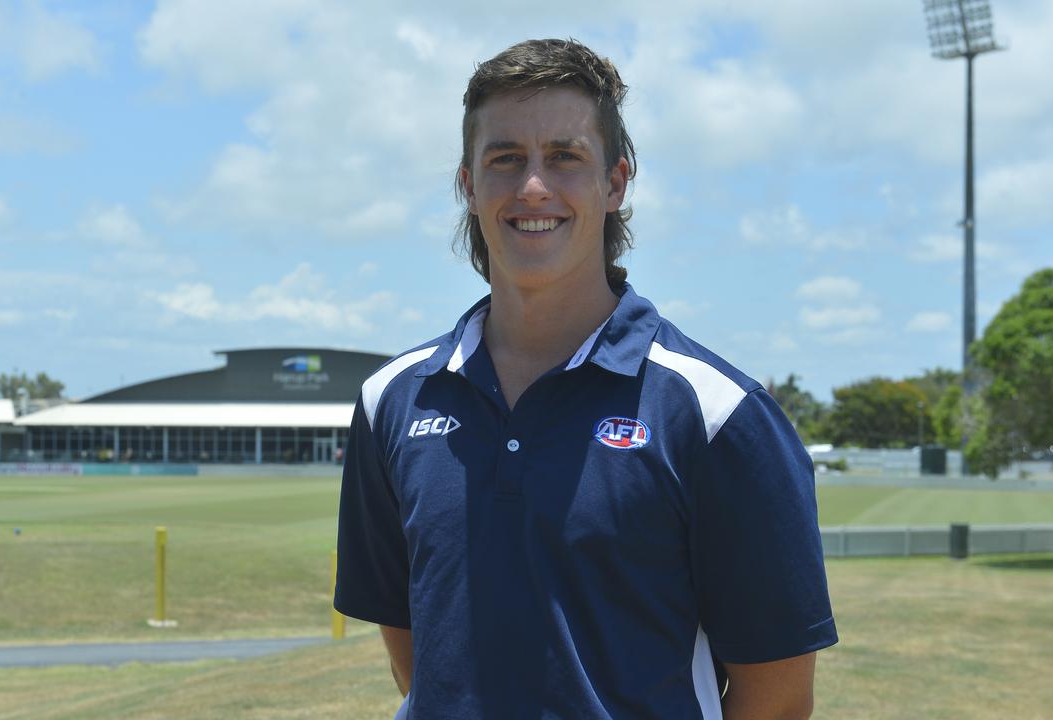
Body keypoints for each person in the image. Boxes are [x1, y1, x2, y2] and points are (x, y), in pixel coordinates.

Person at [335, 38, 837, 719]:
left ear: (616, 181)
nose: (532, 186)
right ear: (468, 184)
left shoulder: (720, 416)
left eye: (565, 157)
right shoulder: (390, 401)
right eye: (504, 158)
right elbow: (417, 660)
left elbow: (776, 700)